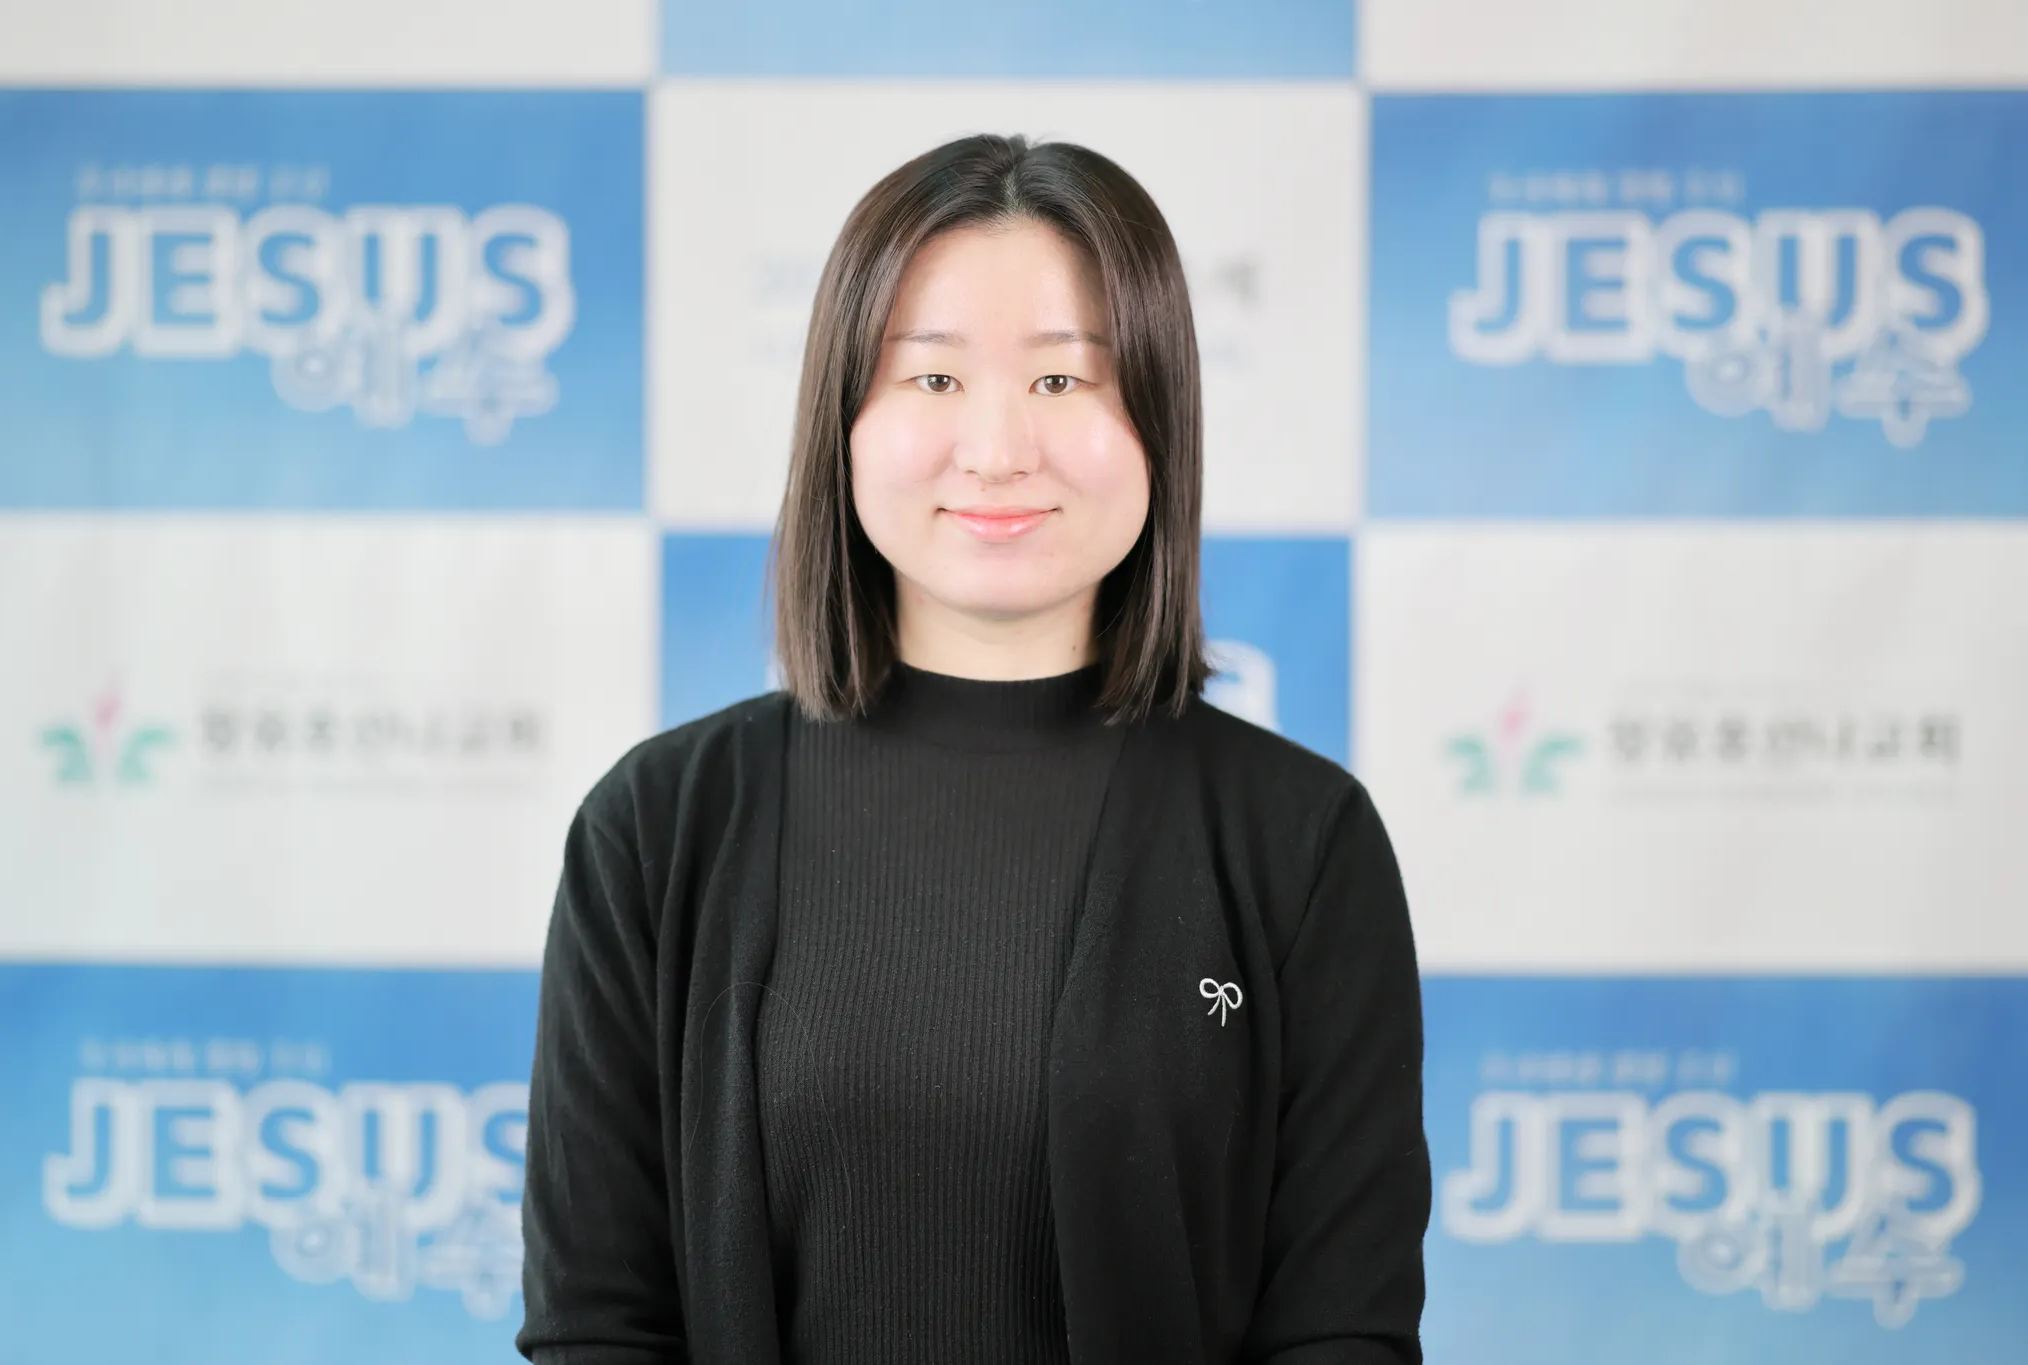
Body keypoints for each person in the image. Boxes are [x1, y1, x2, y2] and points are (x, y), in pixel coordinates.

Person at [515, 132, 1430, 1365]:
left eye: (1062, 379)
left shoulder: (1298, 841)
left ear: (1157, 419)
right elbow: (597, 1327)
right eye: (932, 377)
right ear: (842, 422)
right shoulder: (659, 827)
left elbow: (1340, 1333)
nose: (997, 450)